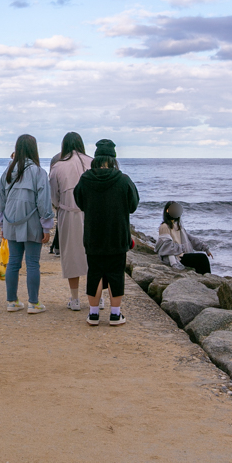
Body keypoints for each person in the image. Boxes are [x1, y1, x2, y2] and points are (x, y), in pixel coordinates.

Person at [74, 139, 139, 326]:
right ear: (113, 159)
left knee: (94, 273)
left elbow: (80, 202)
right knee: (116, 274)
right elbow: (133, 205)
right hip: (117, 236)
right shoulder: (123, 179)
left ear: (96, 158)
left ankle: (93, 314)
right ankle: (115, 315)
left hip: (93, 235)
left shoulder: (85, 179)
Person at [0, 134, 54, 314]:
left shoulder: (7, 171)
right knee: (32, 263)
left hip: (10, 222)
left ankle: (12, 301)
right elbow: (43, 201)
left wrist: (2, 224)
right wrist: (46, 226)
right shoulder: (38, 171)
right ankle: (33, 303)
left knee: (13, 262)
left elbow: (2, 202)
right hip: (32, 222)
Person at [48, 132, 92, 311]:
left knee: (71, 255)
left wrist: (59, 205)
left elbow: (54, 195)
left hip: (68, 212)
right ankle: (99, 297)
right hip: (92, 214)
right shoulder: (92, 162)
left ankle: (75, 299)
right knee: (95, 256)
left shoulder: (58, 166)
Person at [156, 201, 213, 273]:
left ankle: (204, 279)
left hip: (183, 254)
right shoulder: (164, 226)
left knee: (200, 262)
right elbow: (166, 247)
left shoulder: (178, 226)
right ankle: (207, 279)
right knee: (202, 258)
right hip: (176, 257)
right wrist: (175, 262)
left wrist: (205, 248)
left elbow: (191, 239)